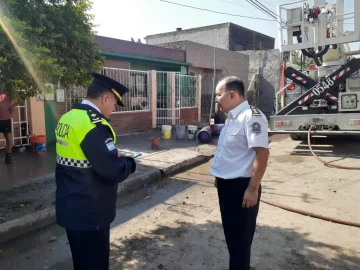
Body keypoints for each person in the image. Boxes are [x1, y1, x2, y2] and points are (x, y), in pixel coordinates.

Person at [55, 72, 137, 270]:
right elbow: (112, 170)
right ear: (105, 98)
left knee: (81, 262)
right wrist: (129, 163)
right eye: (114, 104)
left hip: (70, 205)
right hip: (91, 212)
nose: (113, 109)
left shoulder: (68, 117)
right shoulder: (93, 125)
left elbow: (78, 158)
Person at [210, 76, 269, 270]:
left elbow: (262, 152)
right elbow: (230, 152)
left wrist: (253, 188)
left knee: (240, 244)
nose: (216, 99)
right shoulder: (231, 118)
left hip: (242, 188)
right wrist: (220, 176)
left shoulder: (252, 116)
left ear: (232, 94)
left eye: (219, 94)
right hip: (227, 185)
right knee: (232, 238)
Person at [0, 91, 16, 164]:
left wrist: (13, 106)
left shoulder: (9, 92)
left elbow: (19, 99)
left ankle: (8, 155)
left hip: (6, 119)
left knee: (8, 138)